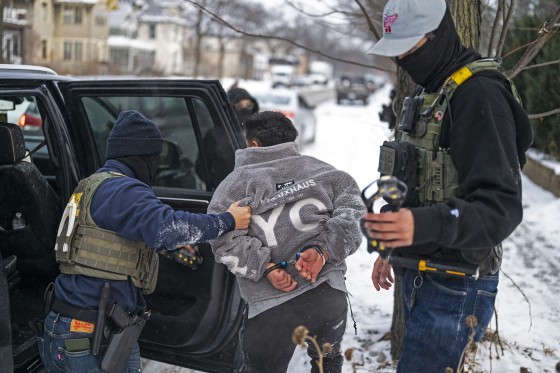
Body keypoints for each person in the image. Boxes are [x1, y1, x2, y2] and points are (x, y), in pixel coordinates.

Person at [363, 0, 533, 372]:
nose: (403, 60)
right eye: (397, 52)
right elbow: (417, 180)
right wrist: (393, 244)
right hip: (422, 270)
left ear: (438, 36)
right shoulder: (431, 94)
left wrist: (419, 226)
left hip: (456, 288)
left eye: (409, 49)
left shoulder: (479, 95)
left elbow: (500, 206)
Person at [39, 110, 251, 372]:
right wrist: (228, 220)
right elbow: (168, 228)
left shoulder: (93, 185)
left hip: (76, 328)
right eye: (155, 158)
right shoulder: (123, 189)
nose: (156, 165)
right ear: (141, 156)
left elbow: (109, 240)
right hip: (86, 334)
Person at [208, 111, 366, 373]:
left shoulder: (234, 186)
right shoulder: (327, 173)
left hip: (271, 306)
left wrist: (266, 268)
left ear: (254, 145)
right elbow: (353, 215)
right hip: (326, 293)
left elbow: (221, 238)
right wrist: (323, 251)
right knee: (327, 365)